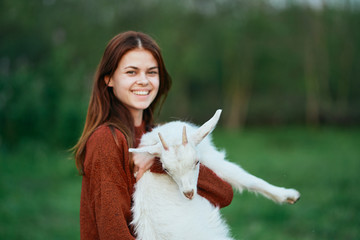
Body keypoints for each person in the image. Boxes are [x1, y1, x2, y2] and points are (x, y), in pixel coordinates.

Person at [73, 31, 233, 240]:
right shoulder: (107, 140)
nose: (143, 81)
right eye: (131, 72)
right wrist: (163, 162)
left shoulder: (156, 136)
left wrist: (162, 162)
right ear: (109, 79)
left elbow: (223, 194)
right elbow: (113, 234)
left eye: (151, 72)